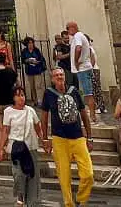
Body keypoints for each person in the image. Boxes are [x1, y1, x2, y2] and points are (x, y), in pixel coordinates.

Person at [41, 67, 93, 207]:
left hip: (77, 137)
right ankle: (68, 203)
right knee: (64, 176)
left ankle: (81, 198)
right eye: (56, 75)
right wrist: (45, 138)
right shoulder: (48, 94)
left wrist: (89, 137)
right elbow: (44, 117)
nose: (59, 76)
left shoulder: (74, 91)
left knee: (88, 173)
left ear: (65, 76)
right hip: (59, 138)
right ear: (52, 79)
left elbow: (84, 115)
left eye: (61, 74)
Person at [3, 85, 46, 207]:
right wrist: (1, 148)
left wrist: (43, 141)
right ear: (13, 98)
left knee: (32, 175)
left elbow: (38, 127)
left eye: (22, 95)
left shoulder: (30, 110)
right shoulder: (8, 112)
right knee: (18, 175)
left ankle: (32, 202)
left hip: (31, 147)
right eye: (18, 95)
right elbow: (6, 130)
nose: (21, 98)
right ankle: (20, 197)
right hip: (15, 149)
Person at [0, 52, 19, 161]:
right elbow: (16, 83)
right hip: (8, 102)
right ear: (6, 60)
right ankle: (5, 150)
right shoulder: (10, 71)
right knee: (7, 130)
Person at [67, 21, 96, 124]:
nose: (67, 31)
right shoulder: (80, 36)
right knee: (86, 93)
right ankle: (90, 114)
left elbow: (78, 48)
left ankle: (92, 116)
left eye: (68, 28)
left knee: (88, 93)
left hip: (83, 68)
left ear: (73, 27)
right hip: (84, 68)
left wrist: (76, 61)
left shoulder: (78, 36)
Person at [20, 38, 47, 107]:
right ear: (26, 44)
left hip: (37, 70)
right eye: (29, 43)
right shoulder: (24, 51)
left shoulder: (36, 50)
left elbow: (41, 59)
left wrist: (36, 62)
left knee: (38, 86)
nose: (31, 44)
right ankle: (35, 101)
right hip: (29, 71)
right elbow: (22, 60)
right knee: (32, 87)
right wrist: (28, 61)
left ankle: (40, 101)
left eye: (32, 43)